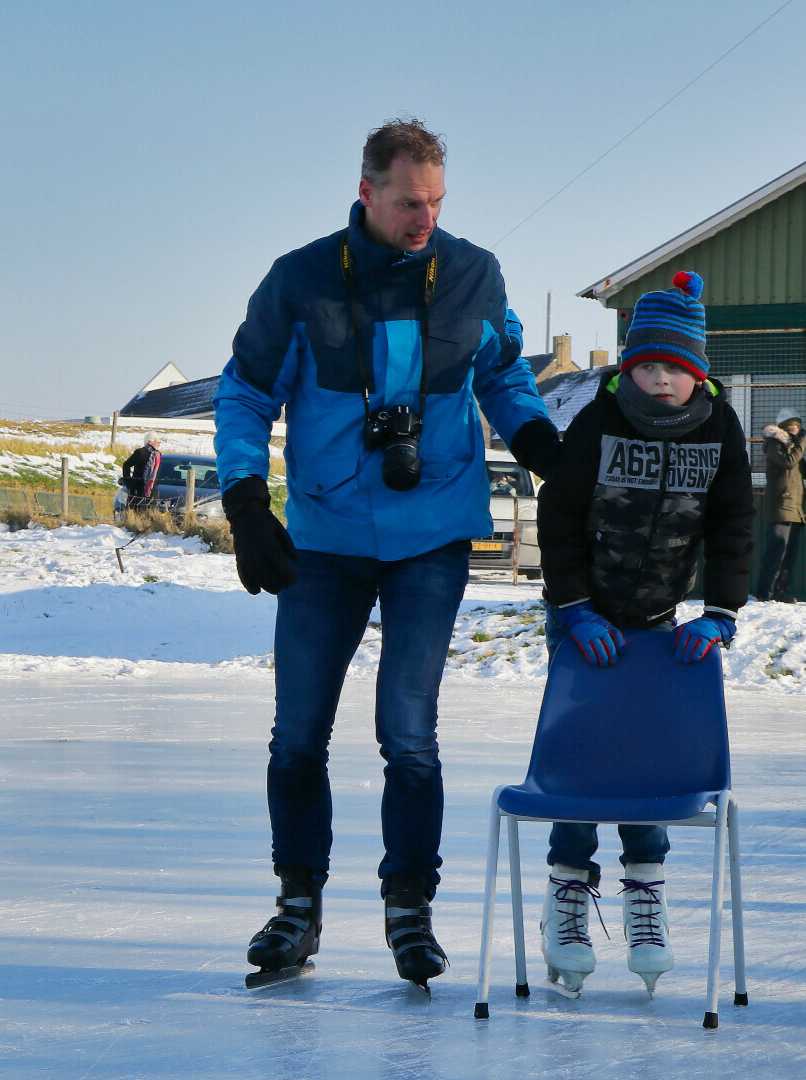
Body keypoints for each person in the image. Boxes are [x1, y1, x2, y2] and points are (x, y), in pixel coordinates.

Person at [213, 118, 562, 988]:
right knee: (298, 734)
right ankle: (297, 908)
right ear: (367, 192)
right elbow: (245, 393)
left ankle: (411, 911)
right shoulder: (300, 280)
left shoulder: (473, 273)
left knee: (408, 734)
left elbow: (503, 374)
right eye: (410, 202)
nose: (425, 218)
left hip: (431, 533)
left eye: (437, 201)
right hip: (326, 537)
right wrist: (246, 501)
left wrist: (539, 443)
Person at [535, 270, 754, 994]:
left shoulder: (719, 428)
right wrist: (573, 608)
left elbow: (733, 524)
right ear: (627, 368)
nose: (661, 380)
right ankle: (568, 895)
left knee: (649, 759)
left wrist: (720, 612)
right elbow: (559, 518)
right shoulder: (598, 420)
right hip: (584, 621)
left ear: (699, 374)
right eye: (647, 366)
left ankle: (646, 895)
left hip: (660, 623)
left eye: (676, 368)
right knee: (583, 758)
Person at [756, 407, 806, 603]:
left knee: (789, 554)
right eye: (794, 426)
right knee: (776, 551)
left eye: (799, 426)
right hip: (780, 506)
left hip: (795, 508)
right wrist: (802, 441)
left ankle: (780, 590)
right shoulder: (774, 444)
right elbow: (789, 462)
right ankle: (765, 592)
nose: (798, 430)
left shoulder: (794, 447)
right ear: (784, 427)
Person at [121, 433, 164, 510]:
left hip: (152, 489)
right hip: (138, 488)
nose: (159, 444)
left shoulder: (157, 455)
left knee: (151, 511)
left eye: (159, 442)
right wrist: (128, 481)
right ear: (149, 442)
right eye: (157, 442)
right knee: (137, 510)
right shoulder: (140, 452)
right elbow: (126, 465)